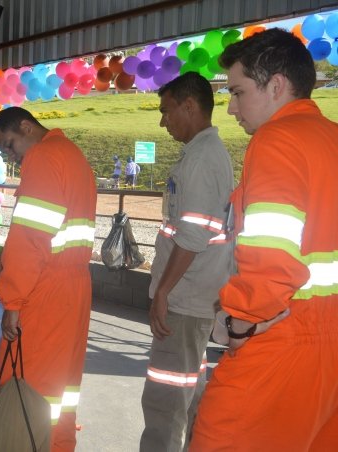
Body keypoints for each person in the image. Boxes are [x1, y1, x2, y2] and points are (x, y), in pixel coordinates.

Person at [190, 28, 338, 451]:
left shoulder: (277, 139)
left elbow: (271, 261)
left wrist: (241, 322)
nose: (231, 108)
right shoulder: (332, 139)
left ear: (276, 85)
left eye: (237, 92)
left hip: (282, 338)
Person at [0, 106, 97, 452]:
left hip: (45, 289)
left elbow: (29, 239)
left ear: (26, 127)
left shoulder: (44, 157)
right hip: (73, 285)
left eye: (10, 145)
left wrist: (13, 301)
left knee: (30, 385)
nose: (12, 157)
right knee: (61, 390)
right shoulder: (71, 154)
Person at [139, 72, 234, 452]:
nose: (163, 121)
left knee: (164, 403)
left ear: (189, 106)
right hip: (195, 297)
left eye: (166, 111)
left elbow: (193, 236)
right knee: (189, 396)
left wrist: (162, 292)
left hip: (184, 299)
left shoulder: (200, 159)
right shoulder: (205, 153)